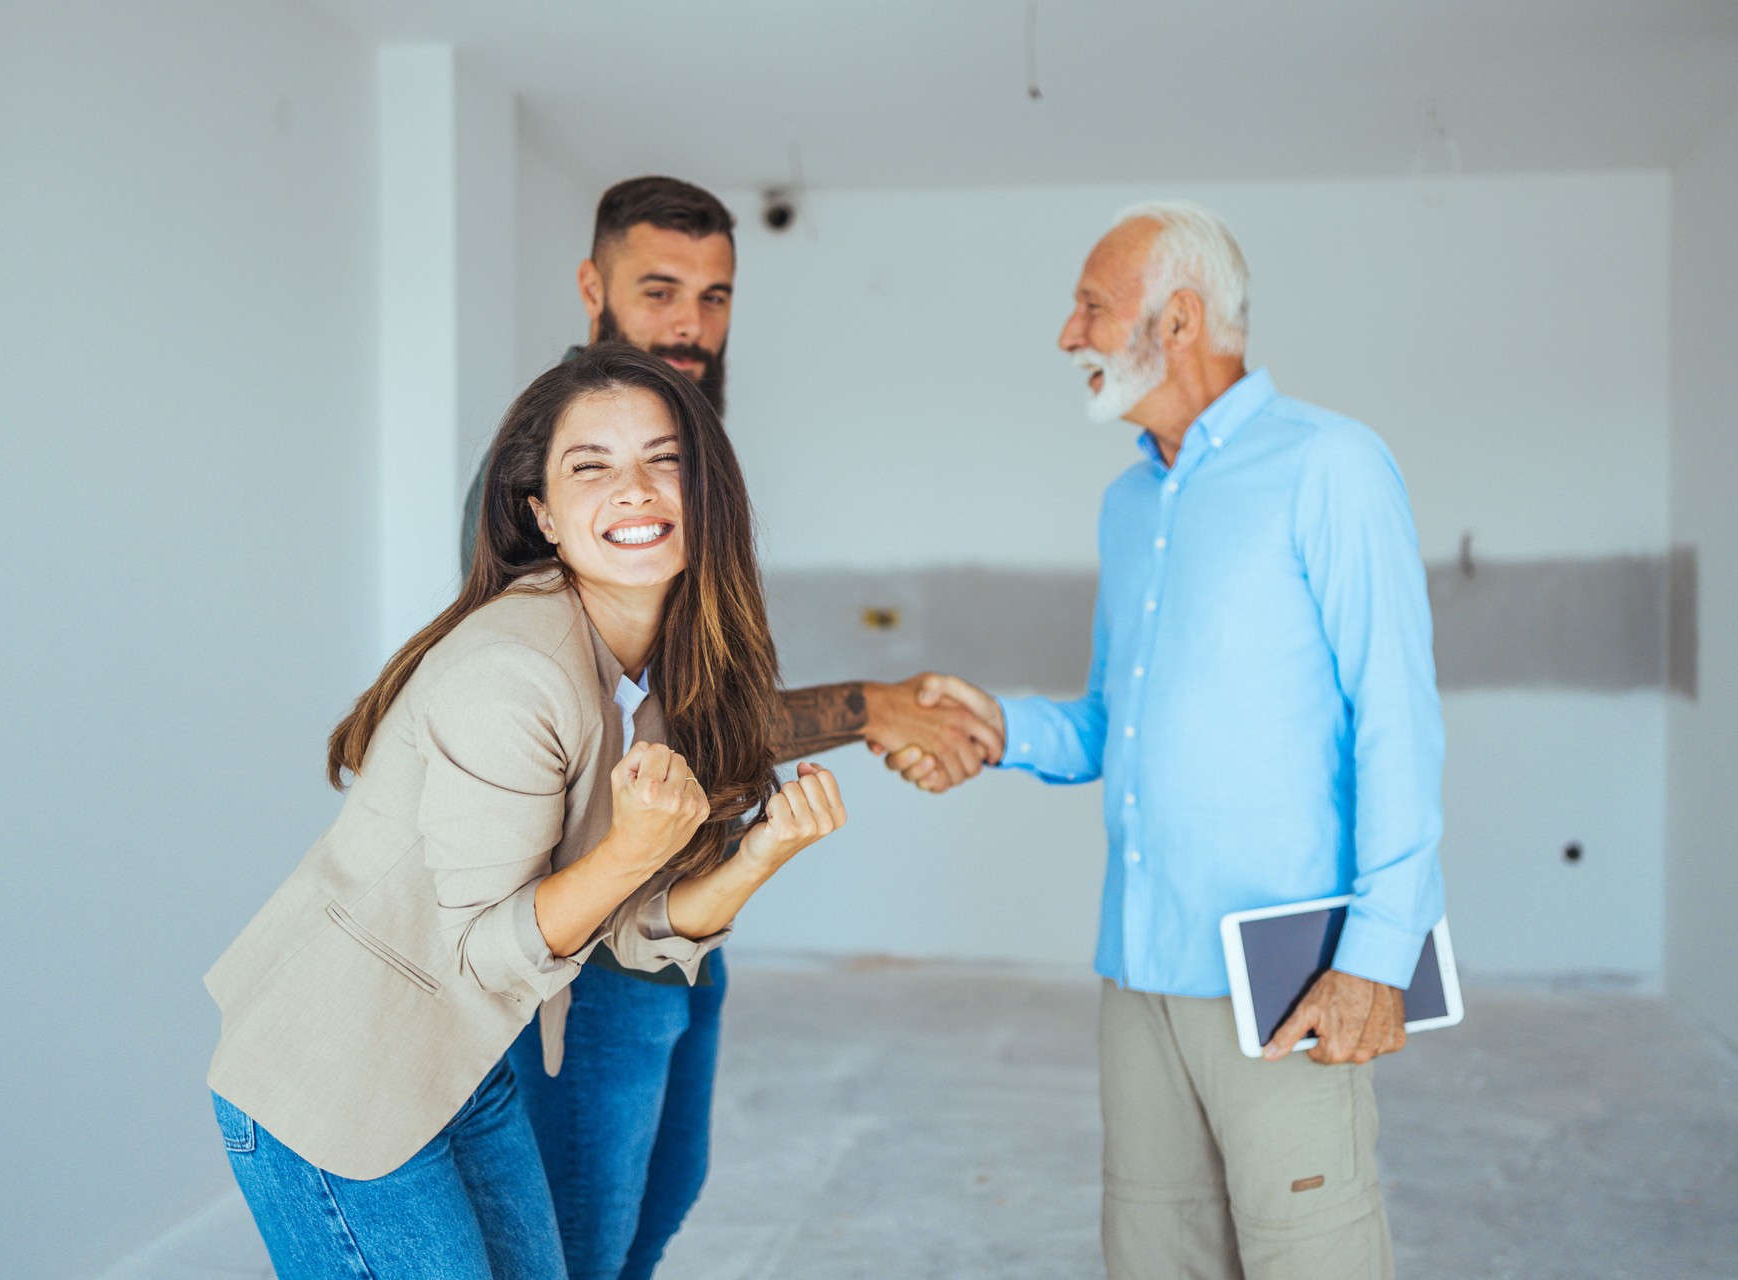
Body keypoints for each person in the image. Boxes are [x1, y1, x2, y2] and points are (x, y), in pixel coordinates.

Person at [204, 343, 851, 1280]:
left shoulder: (662, 672)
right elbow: (485, 955)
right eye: (592, 467)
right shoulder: (512, 670)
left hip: (461, 1069)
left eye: (663, 459)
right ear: (542, 514)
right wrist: (631, 852)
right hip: (334, 1077)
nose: (634, 489)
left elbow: (629, 934)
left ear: (709, 492)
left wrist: (758, 857)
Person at [886, 203, 1446, 1279]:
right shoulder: (1127, 503)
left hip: (1292, 973)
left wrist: (1380, 955)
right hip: (1140, 968)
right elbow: (1112, 719)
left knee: (1310, 1257)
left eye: (1092, 306)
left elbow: (1397, 717)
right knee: (1153, 1257)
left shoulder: (1332, 464)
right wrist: (995, 727)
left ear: (1178, 319)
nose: (1068, 335)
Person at [475, 175, 998, 1280]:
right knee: (580, 1244)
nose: (691, 325)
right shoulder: (552, 475)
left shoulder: (696, 455)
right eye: (659, 290)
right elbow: (630, 738)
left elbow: (694, 712)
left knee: (658, 1207)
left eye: (715, 296)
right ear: (591, 287)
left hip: (687, 920)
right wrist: (869, 706)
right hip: (594, 950)